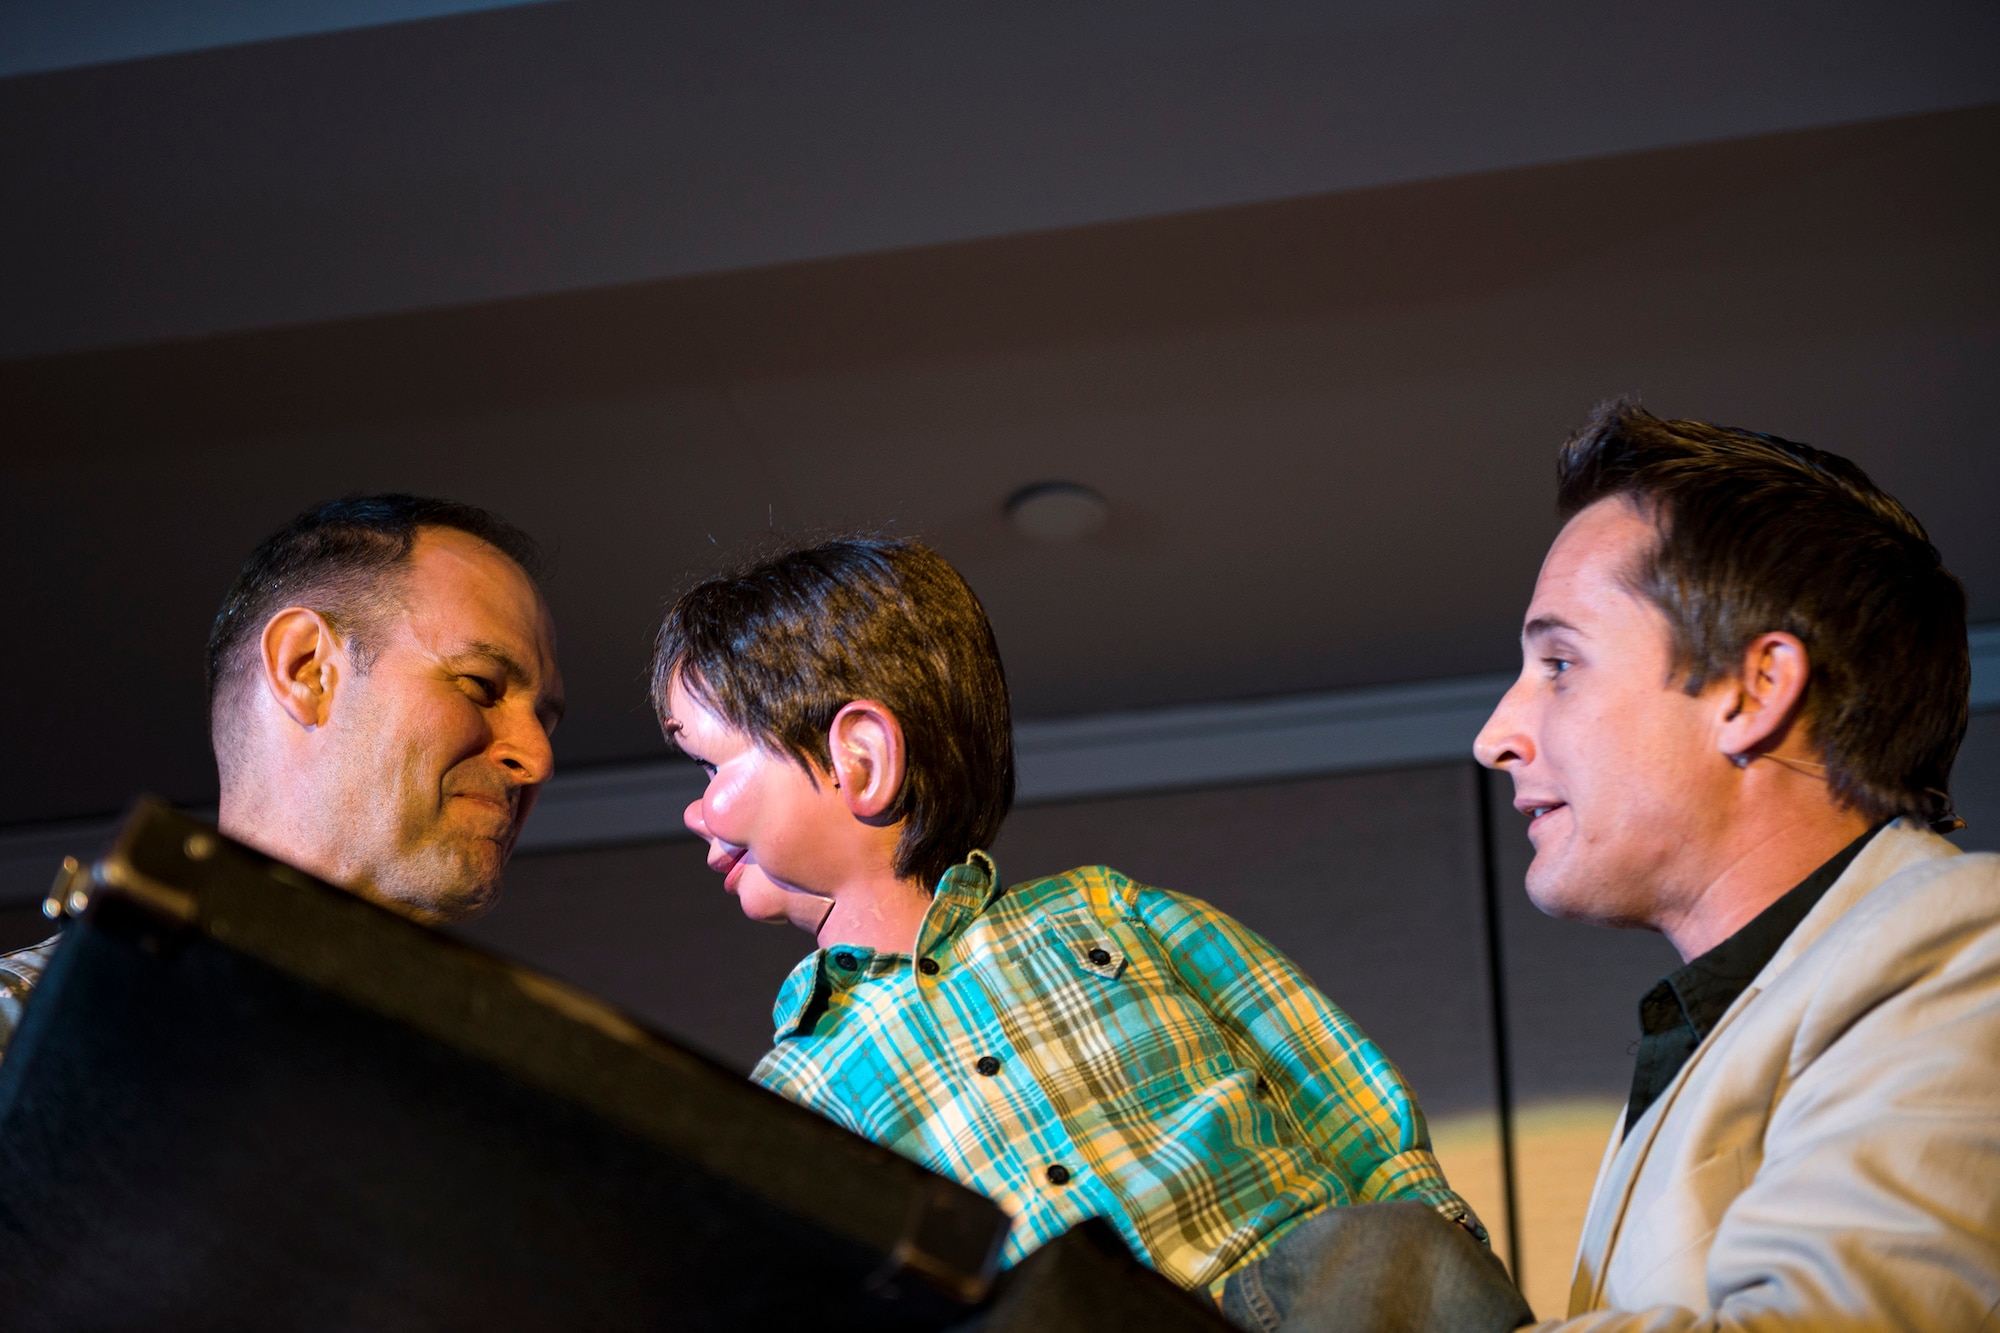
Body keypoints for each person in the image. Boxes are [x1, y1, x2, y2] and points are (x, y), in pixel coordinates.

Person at [653, 537, 1529, 1332]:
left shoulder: (1109, 914)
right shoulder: (786, 1100)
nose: (693, 811)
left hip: (1297, 1302)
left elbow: (1335, 1091)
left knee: (1384, 1253)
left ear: (860, 758)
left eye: (712, 764)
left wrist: (1438, 1253)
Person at [1474, 401, 2000, 1328]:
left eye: (1559, 663)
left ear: (1753, 690)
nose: (1494, 738)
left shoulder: (1965, 942)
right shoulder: (1721, 1027)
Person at [0, 494, 563, 1058]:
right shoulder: (23, 1032)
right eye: (481, 685)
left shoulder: (506, 1101)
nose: (537, 758)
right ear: (308, 671)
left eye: (545, 720)